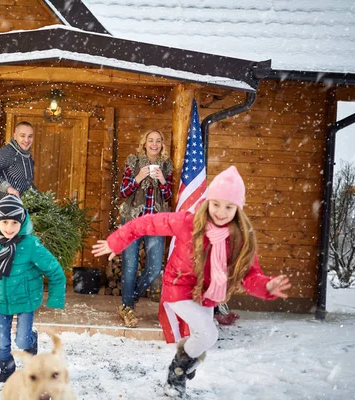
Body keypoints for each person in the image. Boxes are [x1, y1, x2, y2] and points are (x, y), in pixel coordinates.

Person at [92, 166, 291, 398]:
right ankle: (176, 374)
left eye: (229, 206)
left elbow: (250, 275)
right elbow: (145, 224)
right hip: (178, 287)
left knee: (202, 338)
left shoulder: (241, 238)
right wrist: (117, 241)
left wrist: (266, 286)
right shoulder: (188, 222)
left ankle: (186, 361)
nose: (221, 211)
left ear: (239, 208)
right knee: (209, 335)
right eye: (216, 204)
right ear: (208, 202)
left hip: (206, 295)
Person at [0, 195, 66, 384]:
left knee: (22, 341)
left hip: (26, 299)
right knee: (2, 342)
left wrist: (55, 298)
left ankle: (31, 342)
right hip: (1, 300)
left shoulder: (30, 244)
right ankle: (7, 371)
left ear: (22, 221)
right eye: (4, 221)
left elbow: (54, 269)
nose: (9, 227)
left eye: (14, 222)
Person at [117, 129, 173, 328]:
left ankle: (130, 298)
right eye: (151, 141)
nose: (154, 144)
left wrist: (164, 181)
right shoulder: (134, 163)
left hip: (155, 224)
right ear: (144, 144)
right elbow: (124, 191)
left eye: (158, 141)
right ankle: (127, 307)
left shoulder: (166, 165)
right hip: (132, 222)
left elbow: (167, 197)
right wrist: (138, 177)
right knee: (130, 266)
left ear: (161, 145)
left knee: (154, 267)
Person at [0, 121, 37, 201]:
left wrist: (41, 198)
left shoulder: (28, 157)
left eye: (30, 136)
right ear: (15, 136)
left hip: (23, 209)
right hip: (8, 208)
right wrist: (8, 188)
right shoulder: (8, 152)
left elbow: (27, 183)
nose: (26, 140)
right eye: (22, 136)